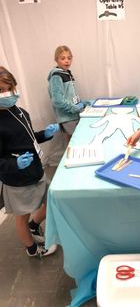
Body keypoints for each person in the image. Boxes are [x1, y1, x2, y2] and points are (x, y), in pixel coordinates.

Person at [0, 66, 59, 257]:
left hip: (36, 171)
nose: (8, 93)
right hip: (18, 180)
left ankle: (35, 226)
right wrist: (14, 165)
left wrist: (45, 134)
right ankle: (32, 249)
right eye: (1, 90)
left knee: (51, 200)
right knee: (21, 217)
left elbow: (29, 138)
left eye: (10, 87)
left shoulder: (20, 111)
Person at [48, 45, 89, 143]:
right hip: (67, 117)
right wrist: (75, 108)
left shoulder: (67, 74)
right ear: (56, 59)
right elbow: (58, 101)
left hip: (73, 115)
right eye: (63, 58)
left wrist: (81, 103)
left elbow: (70, 95)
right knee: (75, 141)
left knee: (74, 140)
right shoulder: (56, 76)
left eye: (69, 58)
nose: (67, 61)